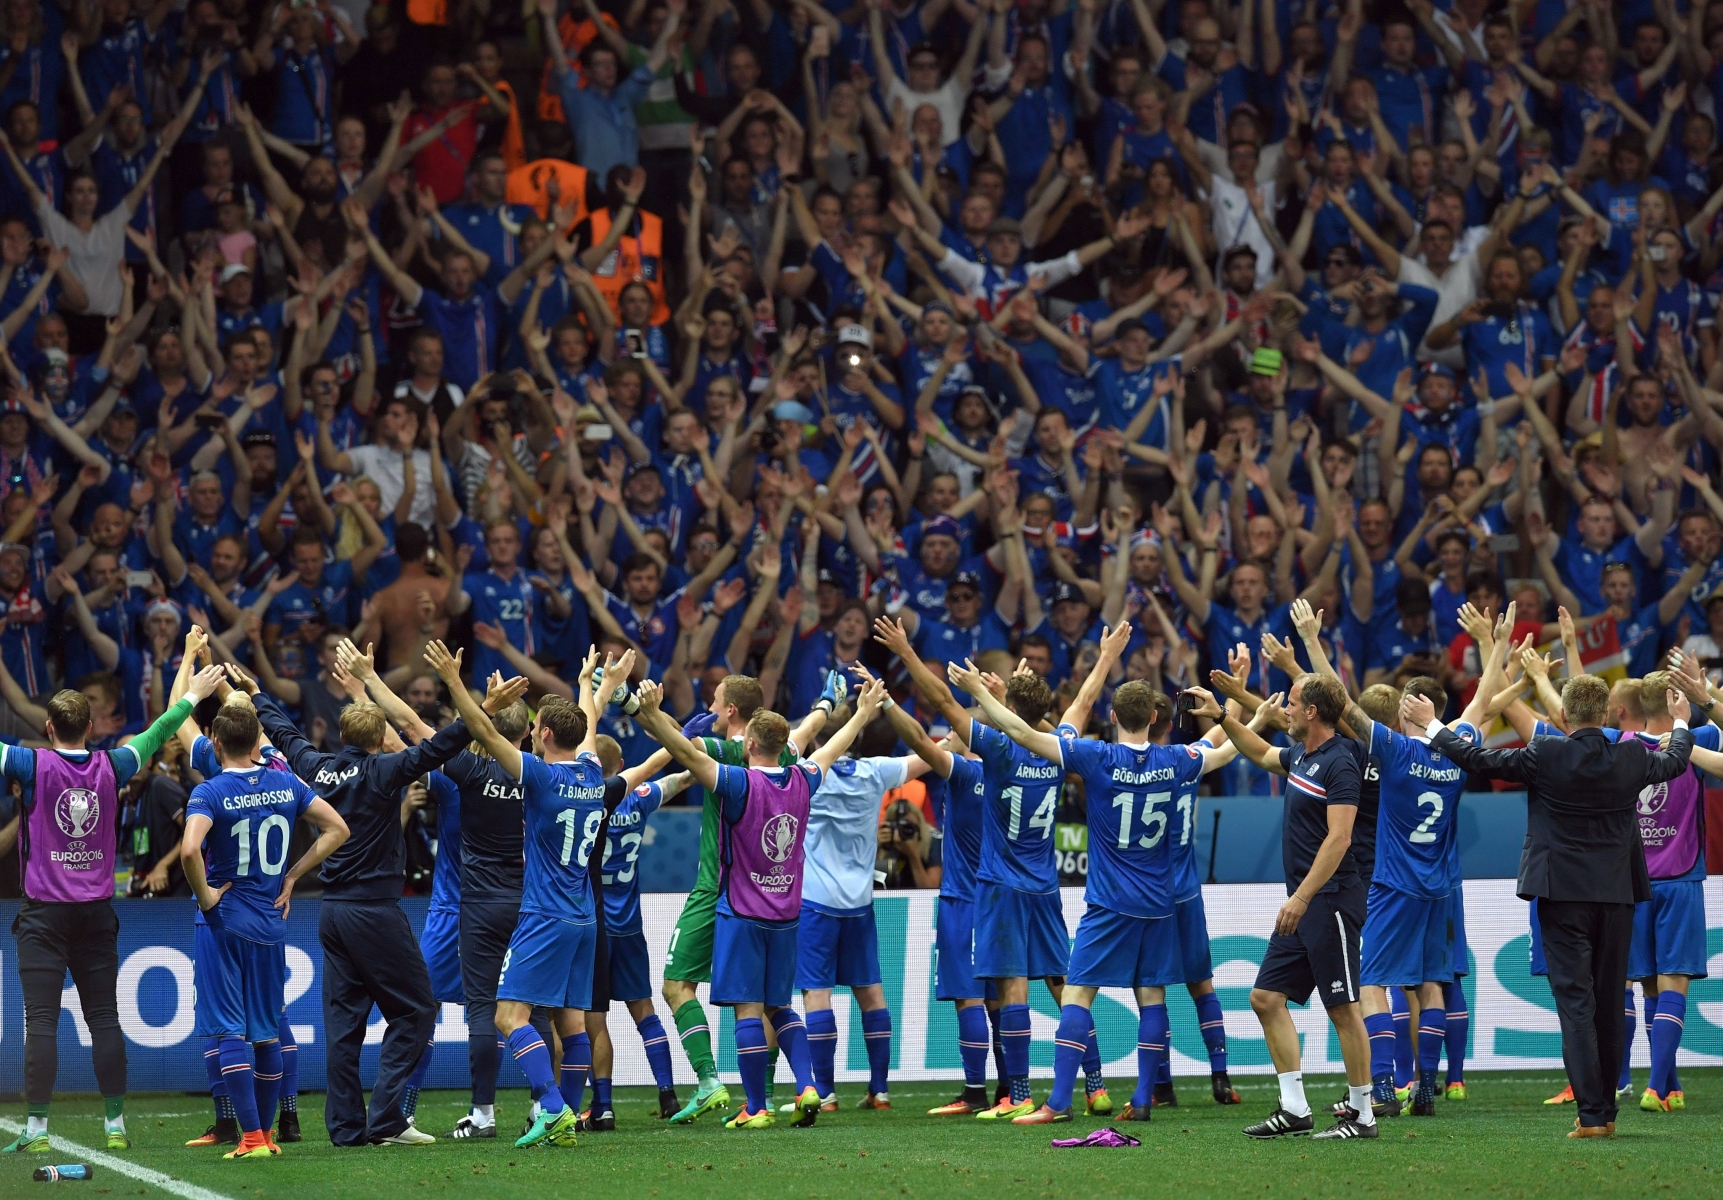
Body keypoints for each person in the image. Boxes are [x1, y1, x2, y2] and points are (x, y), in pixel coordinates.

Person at [954, 625, 1240, 1124]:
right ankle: (1145, 1099)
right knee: (1153, 996)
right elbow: (1226, 750)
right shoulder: (1177, 759)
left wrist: (980, 693)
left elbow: (1022, 732)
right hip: (1159, 902)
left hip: (1109, 903)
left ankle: (1059, 1103)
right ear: (1154, 718)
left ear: (1112, 718)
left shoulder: (1097, 756)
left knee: (1079, 994)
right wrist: (1242, 706)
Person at [1416, 672, 1695, 1137]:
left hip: (1561, 896)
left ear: (1563, 716)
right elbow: (1676, 760)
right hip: (1617, 897)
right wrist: (1682, 722)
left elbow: (1478, 760)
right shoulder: (1630, 755)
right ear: (1605, 715)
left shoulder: (1546, 752)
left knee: (1577, 1006)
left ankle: (1593, 1116)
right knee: (1608, 1002)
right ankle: (1604, 1112)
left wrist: (1432, 727)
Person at [234, 655, 478, 1147]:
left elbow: (284, 733)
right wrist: (480, 713)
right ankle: (387, 1119)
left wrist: (259, 693)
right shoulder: (383, 772)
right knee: (416, 1012)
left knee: (344, 1027)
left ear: (343, 735)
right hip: (373, 910)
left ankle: (346, 1128)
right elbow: (437, 748)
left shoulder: (315, 766)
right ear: (375, 741)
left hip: (332, 912)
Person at [631, 674, 884, 1130]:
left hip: (740, 909)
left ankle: (756, 1107)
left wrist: (647, 712)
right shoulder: (803, 777)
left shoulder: (737, 781)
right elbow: (826, 745)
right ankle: (808, 1086)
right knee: (781, 1007)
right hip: (788, 913)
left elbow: (685, 752)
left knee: (747, 1008)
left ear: (748, 741)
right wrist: (859, 712)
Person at [1, 663, 225, 1154]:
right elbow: (161, 729)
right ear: (89, 727)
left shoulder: (29, 764)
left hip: (43, 915)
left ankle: (36, 1131)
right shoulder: (114, 764)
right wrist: (194, 695)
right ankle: (116, 1126)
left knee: (40, 1020)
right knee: (104, 1018)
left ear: (48, 729)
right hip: (96, 914)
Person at [424, 638, 610, 1148]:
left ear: (543, 734)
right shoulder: (593, 772)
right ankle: (565, 1114)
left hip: (546, 914)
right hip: (585, 917)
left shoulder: (542, 776)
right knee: (571, 1022)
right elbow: (589, 723)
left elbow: (482, 730)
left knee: (508, 1016)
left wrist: (454, 683)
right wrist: (586, 684)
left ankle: (551, 1108)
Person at [1187, 673, 1377, 1140]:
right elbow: (1260, 751)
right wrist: (1222, 716)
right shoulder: (1302, 757)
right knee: (1266, 998)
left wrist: (1301, 896)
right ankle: (1294, 1109)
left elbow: (1340, 838)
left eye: (1291, 704)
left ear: (1312, 711)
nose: (1284, 710)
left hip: (1328, 899)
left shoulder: (1340, 763)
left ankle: (1363, 1115)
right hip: (1307, 902)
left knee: (1343, 1007)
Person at [179, 698, 349, 1161]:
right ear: (259, 741)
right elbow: (337, 829)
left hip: (224, 924)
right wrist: (293, 874)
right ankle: (268, 1136)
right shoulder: (285, 781)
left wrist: (206, 896)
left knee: (231, 1032)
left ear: (214, 742)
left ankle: (251, 1137)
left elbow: (190, 850)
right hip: (271, 923)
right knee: (268, 1031)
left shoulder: (209, 792)